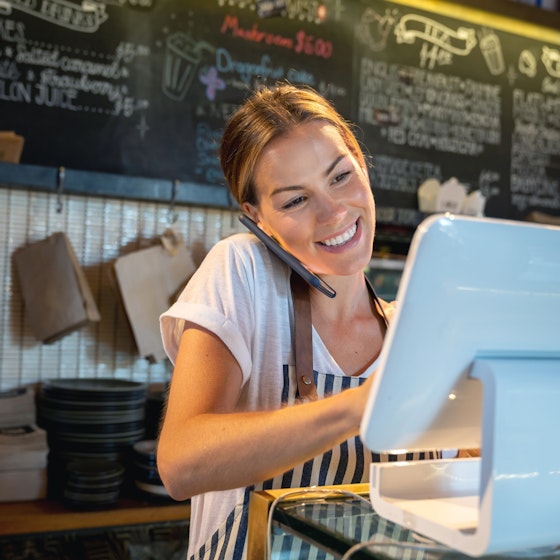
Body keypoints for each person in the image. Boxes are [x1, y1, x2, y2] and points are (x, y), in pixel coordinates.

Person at [157, 83, 438, 560]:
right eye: (294, 201)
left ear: (362, 165)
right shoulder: (242, 272)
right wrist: (360, 407)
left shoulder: (419, 332)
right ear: (258, 218)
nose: (333, 212)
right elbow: (181, 464)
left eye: (340, 176)